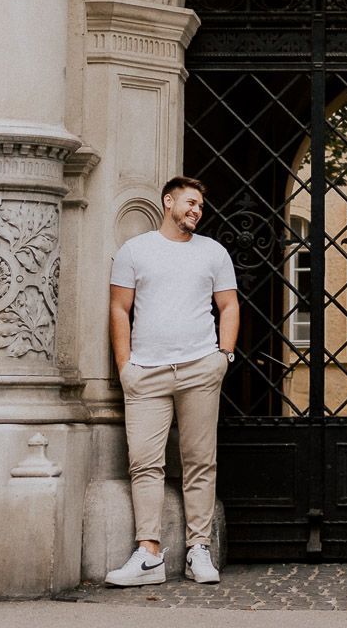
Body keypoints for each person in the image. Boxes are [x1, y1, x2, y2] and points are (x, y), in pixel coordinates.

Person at [105, 176, 240, 587]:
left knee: (200, 462)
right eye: (190, 202)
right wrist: (125, 365)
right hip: (147, 372)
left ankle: (199, 549)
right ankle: (148, 555)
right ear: (169, 202)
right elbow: (118, 309)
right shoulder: (135, 250)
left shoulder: (213, 253)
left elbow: (229, 305)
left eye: (200, 205)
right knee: (144, 463)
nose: (196, 210)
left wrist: (224, 357)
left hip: (200, 368)